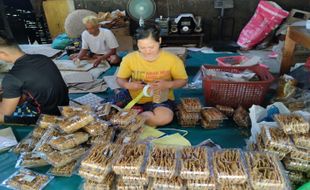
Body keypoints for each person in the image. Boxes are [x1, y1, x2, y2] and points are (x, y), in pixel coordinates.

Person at [116, 25, 188, 127]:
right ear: (137, 44)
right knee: (107, 109)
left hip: (160, 98)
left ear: (159, 40)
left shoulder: (172, 59)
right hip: (133, 96)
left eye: (151, 47)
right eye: (142, 48)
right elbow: (120, 79)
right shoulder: (129, 59)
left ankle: (133, 117)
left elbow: (183, 80)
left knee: (165, 118)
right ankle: (135, 116)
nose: (147, 51)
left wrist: (168, 84)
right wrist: (127, 85)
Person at [0, 33, 69, 124]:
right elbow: (31, 89)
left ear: (2, 53)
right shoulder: (43, 58)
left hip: (45, 119)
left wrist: (8, 91)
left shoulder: (12, 77)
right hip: (65, 108)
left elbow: (5, 114)